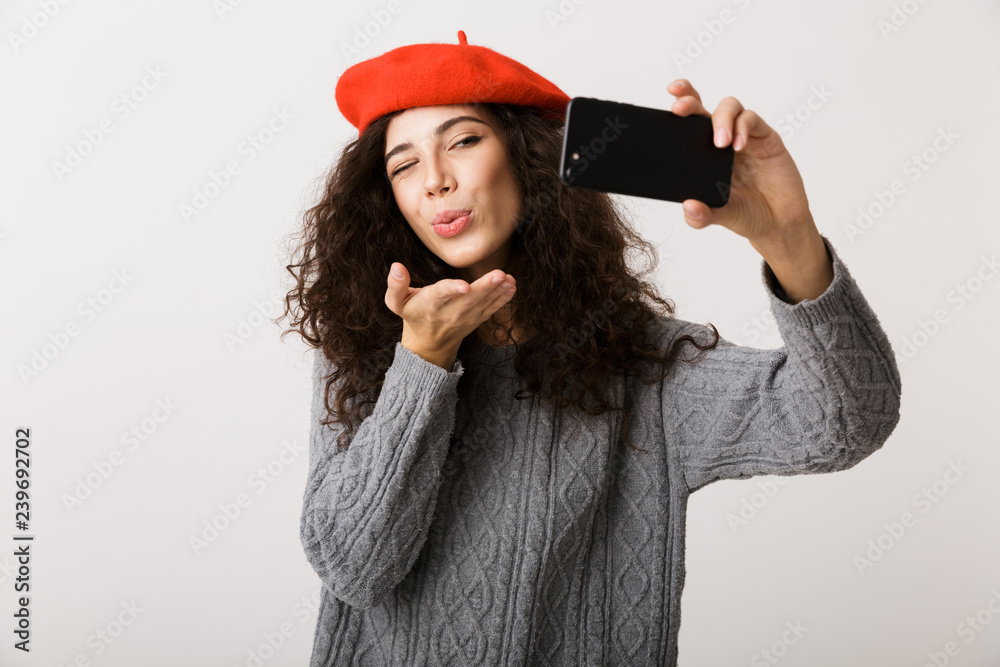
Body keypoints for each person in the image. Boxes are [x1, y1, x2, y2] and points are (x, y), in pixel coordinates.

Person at [280, 30, 902, 666]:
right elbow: (353, 569)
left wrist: (789, 234)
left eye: (463, 141)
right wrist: (422, 364)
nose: (435, 180)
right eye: (404, 164)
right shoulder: (365, 351)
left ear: (527, 159)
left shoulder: (644, 370)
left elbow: (848, 421)